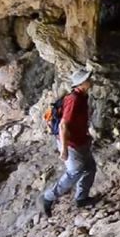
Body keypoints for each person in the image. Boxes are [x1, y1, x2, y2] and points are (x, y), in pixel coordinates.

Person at [41, 68, 97, 213]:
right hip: (71, 143)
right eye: (88, 79)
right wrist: (64, 149)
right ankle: (48, 197)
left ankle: (81, 199)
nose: (90, 80)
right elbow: (63, 125)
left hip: (81, 140)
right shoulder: (74, 99)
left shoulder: (82, 96)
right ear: (81, 83)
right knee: (75, 171)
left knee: (90, 168)